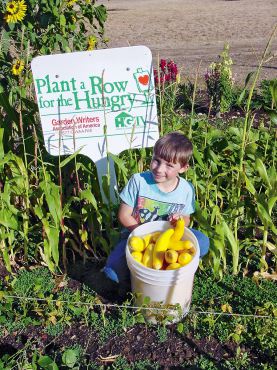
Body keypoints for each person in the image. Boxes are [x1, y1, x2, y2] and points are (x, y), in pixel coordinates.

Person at [102, 131, 209, 285]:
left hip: (170, 237)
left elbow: (186, 218)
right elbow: (124, 215)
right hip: (137, 234)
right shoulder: (138, 181)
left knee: (202, 242)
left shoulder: (186, 189)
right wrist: (145, 235)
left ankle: (174, 271)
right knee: (111, 272)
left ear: (183, 168)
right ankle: (132, 280)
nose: (159, 169)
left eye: (169, 165)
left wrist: (179, 221)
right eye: (156, 160)